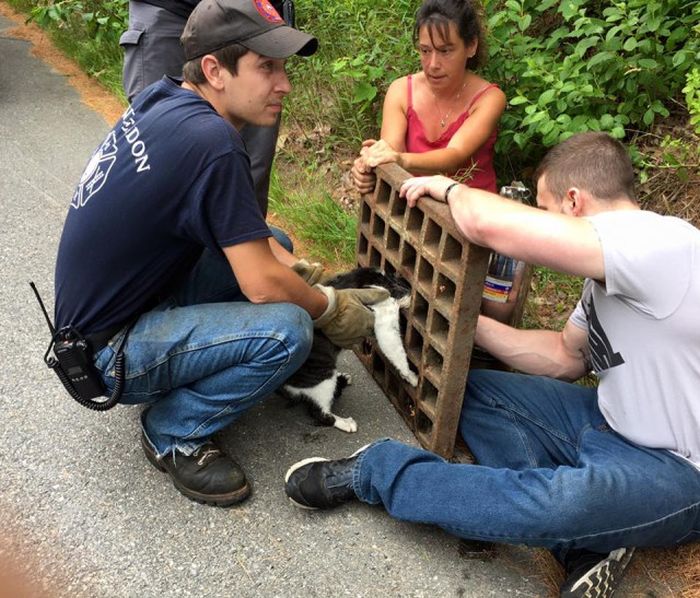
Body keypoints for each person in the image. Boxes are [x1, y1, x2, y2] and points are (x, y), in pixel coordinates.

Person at [284, 132, 700, 597]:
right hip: (604, 420)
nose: (540, 221)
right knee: (471, 390)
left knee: (559, 503)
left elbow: (485, 223)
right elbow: (564, 358)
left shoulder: (661, 243)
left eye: (543, 210)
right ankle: (591, 543)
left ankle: (377, 471)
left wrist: (449, 189)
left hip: (678, 468)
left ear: (574, 201)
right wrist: (459, 322)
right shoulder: (609, 277)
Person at [54, 0, 389, 508]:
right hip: (108, 353)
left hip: (108, 316)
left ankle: (210, 361)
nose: (285, 85)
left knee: (276, 245)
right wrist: (328, 307)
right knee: (288, 332)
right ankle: (173, 431)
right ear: (214, 70)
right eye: (266, 67)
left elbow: (258, 252)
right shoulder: (213, 142)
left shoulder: (166, 98)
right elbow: (260, 284)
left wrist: (307, 278)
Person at [120, 0, 296, 216]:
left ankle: (243, 242)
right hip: (169, 11)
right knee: (159, 158)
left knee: (248, 173)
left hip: (255, 16)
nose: (286, 87)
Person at [351, 0, 506, 196]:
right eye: (425, 51)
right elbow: (390, 154)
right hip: (413, 208)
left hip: (473, 212)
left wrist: (400, 159)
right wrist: (369, 166)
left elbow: (454, 156)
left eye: (445, 51)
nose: (433, 64)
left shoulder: (489, 98)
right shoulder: (401, 91)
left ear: (471, 46)